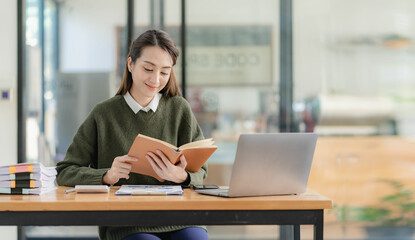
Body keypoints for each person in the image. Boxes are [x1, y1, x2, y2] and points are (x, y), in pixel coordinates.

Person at [56, 29, 209, 240]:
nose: (156, 79)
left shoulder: (179, 109)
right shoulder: (104, 114)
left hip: (179, 217)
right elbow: (65, 171)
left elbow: (201, 170)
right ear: (130, 64)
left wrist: (181, 176)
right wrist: (106, 175)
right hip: (127, 223)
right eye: (148, 68)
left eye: (165, 72)